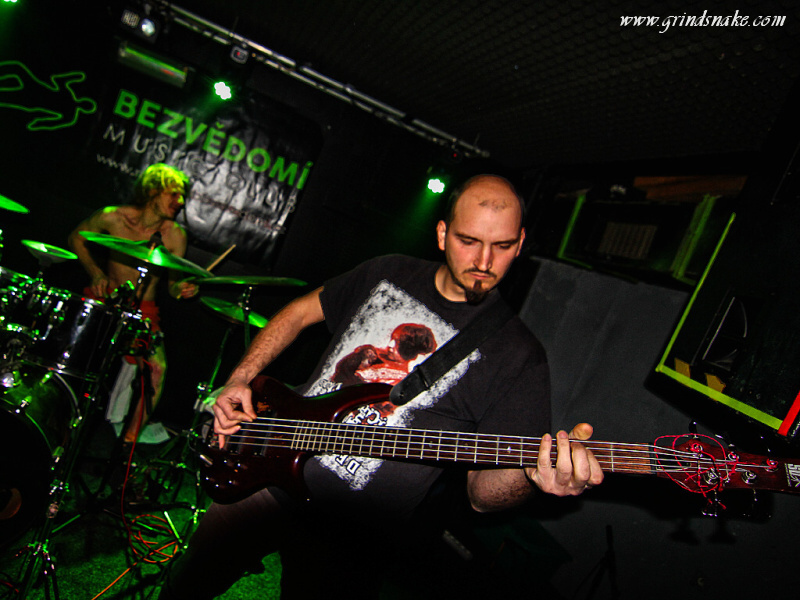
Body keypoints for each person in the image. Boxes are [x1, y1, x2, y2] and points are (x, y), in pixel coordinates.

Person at [160, 174, 603, 599]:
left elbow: (482, 497)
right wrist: (240, 378)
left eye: (502, 246)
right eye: (469, 241)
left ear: (520, 243)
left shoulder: (519, 356)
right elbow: (298, 313)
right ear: (442, 234)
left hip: (355, 534)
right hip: (267, 470)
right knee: (186, 586)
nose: (484, 263)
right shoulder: (388, 271)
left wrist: (530, 475)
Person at [68, 163, 198, 442]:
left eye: (182, 196)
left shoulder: (175, 235)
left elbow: (173, 285)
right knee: (77, 360)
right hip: (106, 300)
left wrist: (182, 288)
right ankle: (63, 424)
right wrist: (96, 272)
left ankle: (128, 442)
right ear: (152, 190)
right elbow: (77, 237)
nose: (180, 201)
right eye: (173, 193)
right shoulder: (114, 217)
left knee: (157, 369)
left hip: (142, 312)